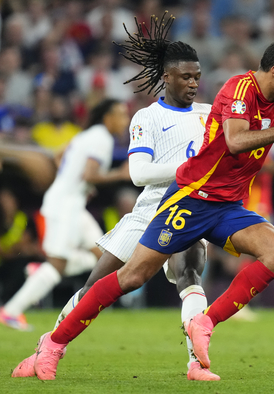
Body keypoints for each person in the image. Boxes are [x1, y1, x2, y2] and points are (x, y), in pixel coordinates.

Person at [31, 37, 274, 381]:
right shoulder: (228, 93)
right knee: (129, 277)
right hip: (187, 199)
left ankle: (204, 326)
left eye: (196, 77)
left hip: (226, 205)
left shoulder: (267, 99)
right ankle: (52, 345)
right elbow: (234, 142)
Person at [11, 14, 217, 381]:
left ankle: (197, 364)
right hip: (149, 210)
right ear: (167, 77)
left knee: (189, 273)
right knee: (95, 285)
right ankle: (49, 346)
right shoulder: (146, 118)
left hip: (189, 209)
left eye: (197, 77)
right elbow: (138, 173)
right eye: (186, 76)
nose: (193, 84)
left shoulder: (208, 113)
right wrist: (190, 167)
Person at [0, 98, 129, 333]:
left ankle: (41, 273)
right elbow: (90, 175)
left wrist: (70, 180)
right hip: (65, 206)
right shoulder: (102, 139)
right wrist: (120, 174)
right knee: (59, 265)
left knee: (103, 257)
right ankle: (10, 311)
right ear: (107, 118)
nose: (125, 120)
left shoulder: (86, 135)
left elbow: (60, 155)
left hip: (72, 203)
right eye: (121, 115)